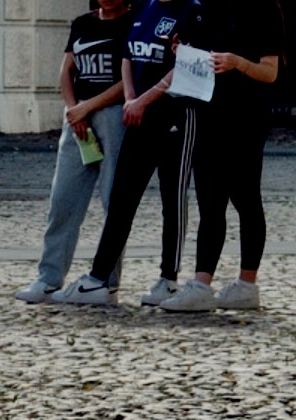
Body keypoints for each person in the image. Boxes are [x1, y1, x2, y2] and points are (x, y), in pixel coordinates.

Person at [50, 0, 205, 307]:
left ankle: (168, 279)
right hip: (138, 117)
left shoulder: (192, 11)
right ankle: (98, 279)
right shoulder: (146, 9)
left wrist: (143, 100)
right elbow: (128, 56)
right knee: (121, 199)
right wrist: (131, 98)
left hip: (175, 115)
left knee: (172, 199)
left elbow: (184, 67)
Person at [160, 0, 282, 312]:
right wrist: (180, 52)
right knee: (209, 200)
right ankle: (201, 284)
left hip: (246, 118)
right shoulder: (200, 7)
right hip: (207, 114)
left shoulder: (263, 9)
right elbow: (188, 52)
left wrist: (237, 63)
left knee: (245, 198)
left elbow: (270, 72)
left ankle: (246, 284)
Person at [14, 0, 133, 304]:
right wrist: (72, 110)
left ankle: (106, 279)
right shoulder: (82, 23)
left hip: (113, 115)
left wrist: (87, 107)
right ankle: (49, 277)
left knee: (113, 202)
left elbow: (129, 79)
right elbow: (67, 69)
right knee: (63, 199)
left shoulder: (133, 23)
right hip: (78, 119)